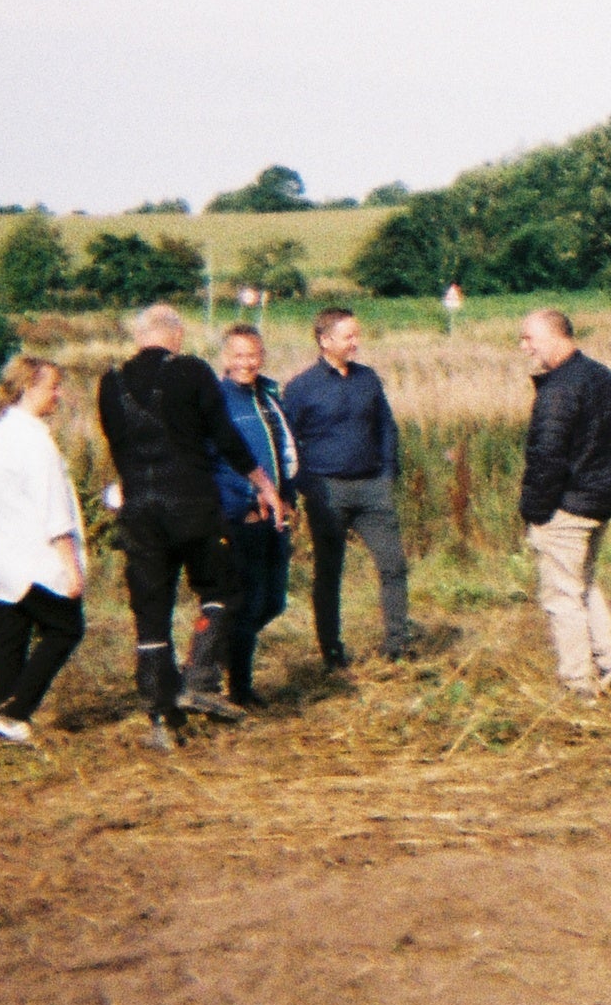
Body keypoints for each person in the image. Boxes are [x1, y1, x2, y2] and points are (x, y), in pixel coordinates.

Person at [96, 302, 281, 748]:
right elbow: (224, 436)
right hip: (193, 506)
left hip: (139, 510)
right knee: (222, 590)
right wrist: (263, 484)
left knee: (151, 613)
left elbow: (118, 445)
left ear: (141, 337)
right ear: (175, 337)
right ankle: (198, 677)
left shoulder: (110, 383)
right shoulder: (193, 372)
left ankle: (161, 718)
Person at [0, 355, 87, 746]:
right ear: (29, 387)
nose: (59, 395)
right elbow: (54, 508)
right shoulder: (34, 440)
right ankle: (15, 712)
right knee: (66, 627)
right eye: (53, 387)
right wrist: (71, 565)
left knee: (12, 631)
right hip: (29, 556)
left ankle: (6, 712)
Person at [283, 306, 420, 669]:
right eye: (349, 336)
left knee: (394, 566)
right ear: (325, 340)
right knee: (329, 572)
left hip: (373, 488)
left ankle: (397, 646)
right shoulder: (300, 388)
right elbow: (288, 442)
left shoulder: (368, 379)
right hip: (328, 492)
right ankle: (331, 651)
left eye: (358, 335)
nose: (356, 342)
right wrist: (305, 486)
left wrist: (388, 473)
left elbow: (386, 427)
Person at [515, 306, 611, 698]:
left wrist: (534, 511)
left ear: (554, 336)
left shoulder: (559, 389)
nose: (524, 347)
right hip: (601, 499)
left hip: (569, 506)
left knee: (562, 596)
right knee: (584, 585)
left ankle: (578, 684)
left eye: (529, 338)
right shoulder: (601, 375)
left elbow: (547, 456)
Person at [212, 325, 299, 709]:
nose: (246, 363)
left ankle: (214, 660)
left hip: (275, 512)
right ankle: (239, 688)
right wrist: (250, 498)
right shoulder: (217, 401)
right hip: (241, 516)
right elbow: (220, 461)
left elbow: (283, 449)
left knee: (273, 602)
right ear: (226, 359)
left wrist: (287, 495)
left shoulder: (269, 395)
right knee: (248, 602)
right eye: (239, 355)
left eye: (253, 355)